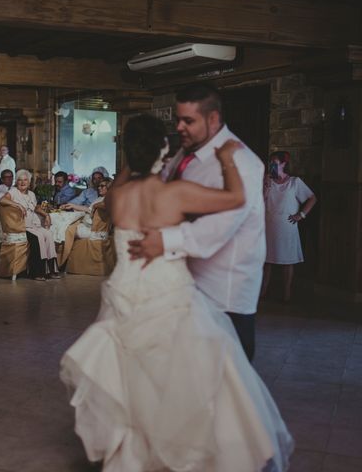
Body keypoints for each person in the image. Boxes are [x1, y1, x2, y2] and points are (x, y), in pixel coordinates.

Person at [60, 114, 293, 472]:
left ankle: (139, 455)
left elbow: (122, 183)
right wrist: (228, 160)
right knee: (182, 378)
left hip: (124, 295)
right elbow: (234, 197)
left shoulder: (116, 198)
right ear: (163, 151)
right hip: (167, 293)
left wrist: (135, 160)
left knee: (133, 379)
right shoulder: (174, 193)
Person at [129, 84, 265, 362]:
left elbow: (219, 227)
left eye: (188, 121)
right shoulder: (186, 153)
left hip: (222, 293)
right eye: (178, 119)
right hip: (185, 287)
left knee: (225, 382)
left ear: (213, 119)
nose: (179, 127)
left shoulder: (242, 163)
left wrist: (163, 241)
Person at [261, 151, 317, 302]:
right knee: (267, 261)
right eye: (270, 162)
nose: (272, 165)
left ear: (284, 164)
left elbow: (312, 198)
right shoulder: (267, 181)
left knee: (288, 261)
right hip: (269, 224)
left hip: (287, 225)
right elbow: (260, 202)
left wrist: (301, 215)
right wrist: (265, 186)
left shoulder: (294, 182)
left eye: (275, 162)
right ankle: (264, 291)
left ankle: (287, 293)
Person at [0, 169, 60, 280]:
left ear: (29, 182)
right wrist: (18, 205)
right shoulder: (13, 192)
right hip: (20, 227)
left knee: (48, 234)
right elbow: (2, 200)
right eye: (20, 180)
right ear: (16, 182)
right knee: (39, 237)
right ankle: (37, 272)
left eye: (25, 180)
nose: (23, 183)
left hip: (33, 225)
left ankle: (50, 270)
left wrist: (46, 215)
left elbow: (36, 207)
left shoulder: (31, 194)